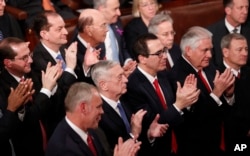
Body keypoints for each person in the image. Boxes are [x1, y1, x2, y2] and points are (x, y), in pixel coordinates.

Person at [123, 33, 200, 156]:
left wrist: (188, 100)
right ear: (142, 58)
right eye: (158, 53)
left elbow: (176, 111)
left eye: (164, 51)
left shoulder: (163, 75)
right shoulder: (132, 86)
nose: (164, 56)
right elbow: (153, 123)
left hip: (179, 145)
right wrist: (179, 105)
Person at [168, 26, 235, 156]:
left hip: (218, 141)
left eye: (210, 49)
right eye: (205, 50)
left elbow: (221, 108)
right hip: (197, 148)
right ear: (188, 51)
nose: (209, 55)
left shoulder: (209, 67)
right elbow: (196, 118)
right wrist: (216, 93)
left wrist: (228, 94)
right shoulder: (178, 76)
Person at [0, 37, 62, 156]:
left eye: (29, 55)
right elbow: (29, 120)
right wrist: (46, 89)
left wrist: (52, 84)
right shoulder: (4, 88)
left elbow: (49, 107)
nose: (31, 60)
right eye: (24, 58)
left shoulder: (31, 73)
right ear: (8, 63)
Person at [91, 60, 169, 154]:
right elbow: (110, 151)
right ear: (104, 85)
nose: (126, 80)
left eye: (124, 75)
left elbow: (140, 142)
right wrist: (133, 133)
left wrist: (149, 135)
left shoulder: (127, 100)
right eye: (120, 77)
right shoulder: (97, 115)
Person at [45, 82, 142, 156]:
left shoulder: (94, 130)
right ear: (83, 108)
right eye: (98, 107)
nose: (102, 111)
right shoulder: (63, 148)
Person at [217, 33, 250, 156]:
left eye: (246, 49)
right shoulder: (217, 76)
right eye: (239, 49)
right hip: (231, 141)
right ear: (225, 52)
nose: (245, 53)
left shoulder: (248, 71)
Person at [94, 0, 137, 77]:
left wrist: (128, 61)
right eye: (115, 9)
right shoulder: (90, 31)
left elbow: (123, 47)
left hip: (123, 73)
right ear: (101, 9)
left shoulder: (117, 23)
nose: (119, 13)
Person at [207, 0, 250, 67]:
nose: (245, 12)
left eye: (247, 7)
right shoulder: (210, 33)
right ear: (228, 10)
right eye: (240, 8)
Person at [70, 9, 107, 83]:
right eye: (102, 26)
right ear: (89, 31)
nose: (107, 30)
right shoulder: (73, 54)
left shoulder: (99, 42)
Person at [7, 0, 76, 29]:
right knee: (49, 25)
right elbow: (13, 4)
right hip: (32, 14)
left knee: (73, 19)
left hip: (54, 9)